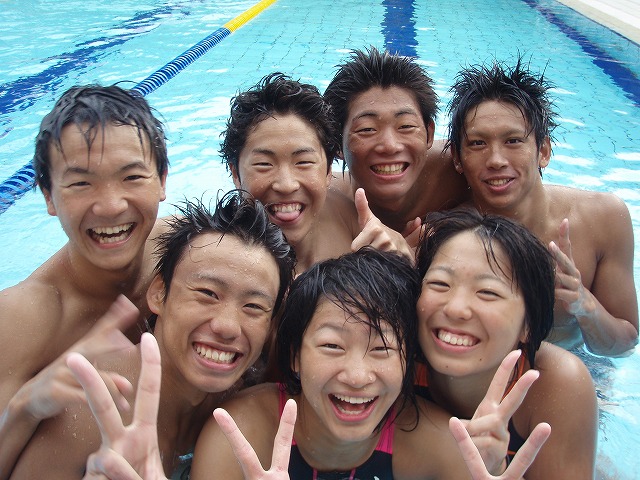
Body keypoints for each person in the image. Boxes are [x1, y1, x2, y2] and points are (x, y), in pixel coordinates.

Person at [69, 248, 550, 480]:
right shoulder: (241, 434)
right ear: (295, 356)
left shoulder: (439, 446)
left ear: (410, 362)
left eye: (382, 350)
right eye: (333, 346)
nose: (357, 376)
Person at [8, 191, 296, 479]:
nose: (227, 327)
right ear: (158, 293)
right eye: (208, 294)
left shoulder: (250, 394)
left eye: (253, 307)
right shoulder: (93, 405)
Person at [0, 84, 168, 476]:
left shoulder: (181, 250)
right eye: (81, 183)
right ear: (47, 195)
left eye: (132, 177)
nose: (110, 206)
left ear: (162, 181)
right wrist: (25, 407)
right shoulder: (20, 319)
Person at [445, 58, 638, 356]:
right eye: (478, 144)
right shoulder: (447, 235)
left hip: (578, 365)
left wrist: (583, 304)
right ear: (457, 158)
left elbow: (625, 343)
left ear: (544, 151)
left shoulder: (603, 219)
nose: (496, 160)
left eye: (513, 141)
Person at [415, 209, 598, 478]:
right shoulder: (390, 358)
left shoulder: (557, 385)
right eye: (440, 284)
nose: (456, 309)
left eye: (487, 292)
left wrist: (496, 471)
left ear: (528, 325)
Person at [221, 72, 411, 274]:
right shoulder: (222, 257)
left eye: (303, 162)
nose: (286, 185)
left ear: (328, 172)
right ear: (235, 174)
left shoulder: (346, 216)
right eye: (264, 164)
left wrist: (403, 255)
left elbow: (396, 248)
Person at [323, 46, 470, 237]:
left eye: (406, 126)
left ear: (429, 133)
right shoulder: (327, 203)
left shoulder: (461, 169)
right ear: (337, 143)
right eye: (367, 129)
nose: (390, 146)